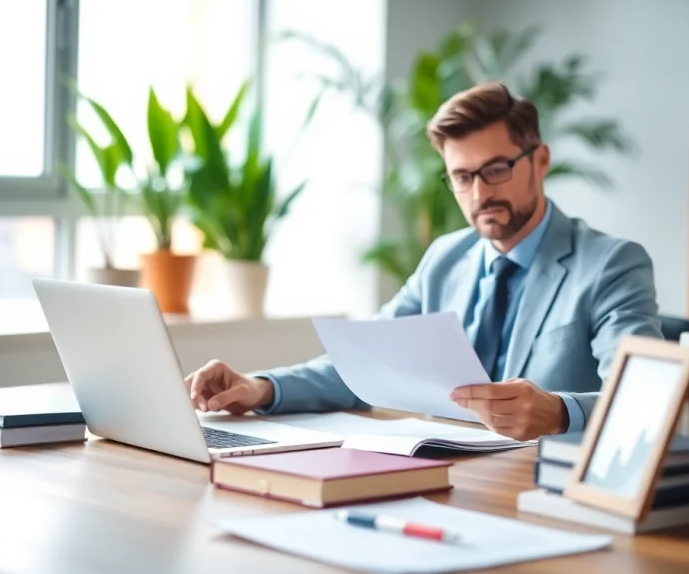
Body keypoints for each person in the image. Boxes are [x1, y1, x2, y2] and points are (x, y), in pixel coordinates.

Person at [184, 81, 663, 441]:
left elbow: (644, 399)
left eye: (496, 170)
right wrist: (260, 387)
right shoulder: (445, 260)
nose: (480, 193)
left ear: (540, 160)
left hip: (546, 486)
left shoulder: (610, 265)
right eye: (462, 177)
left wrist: (561, 411)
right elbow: (364, 366)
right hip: (449, 477)